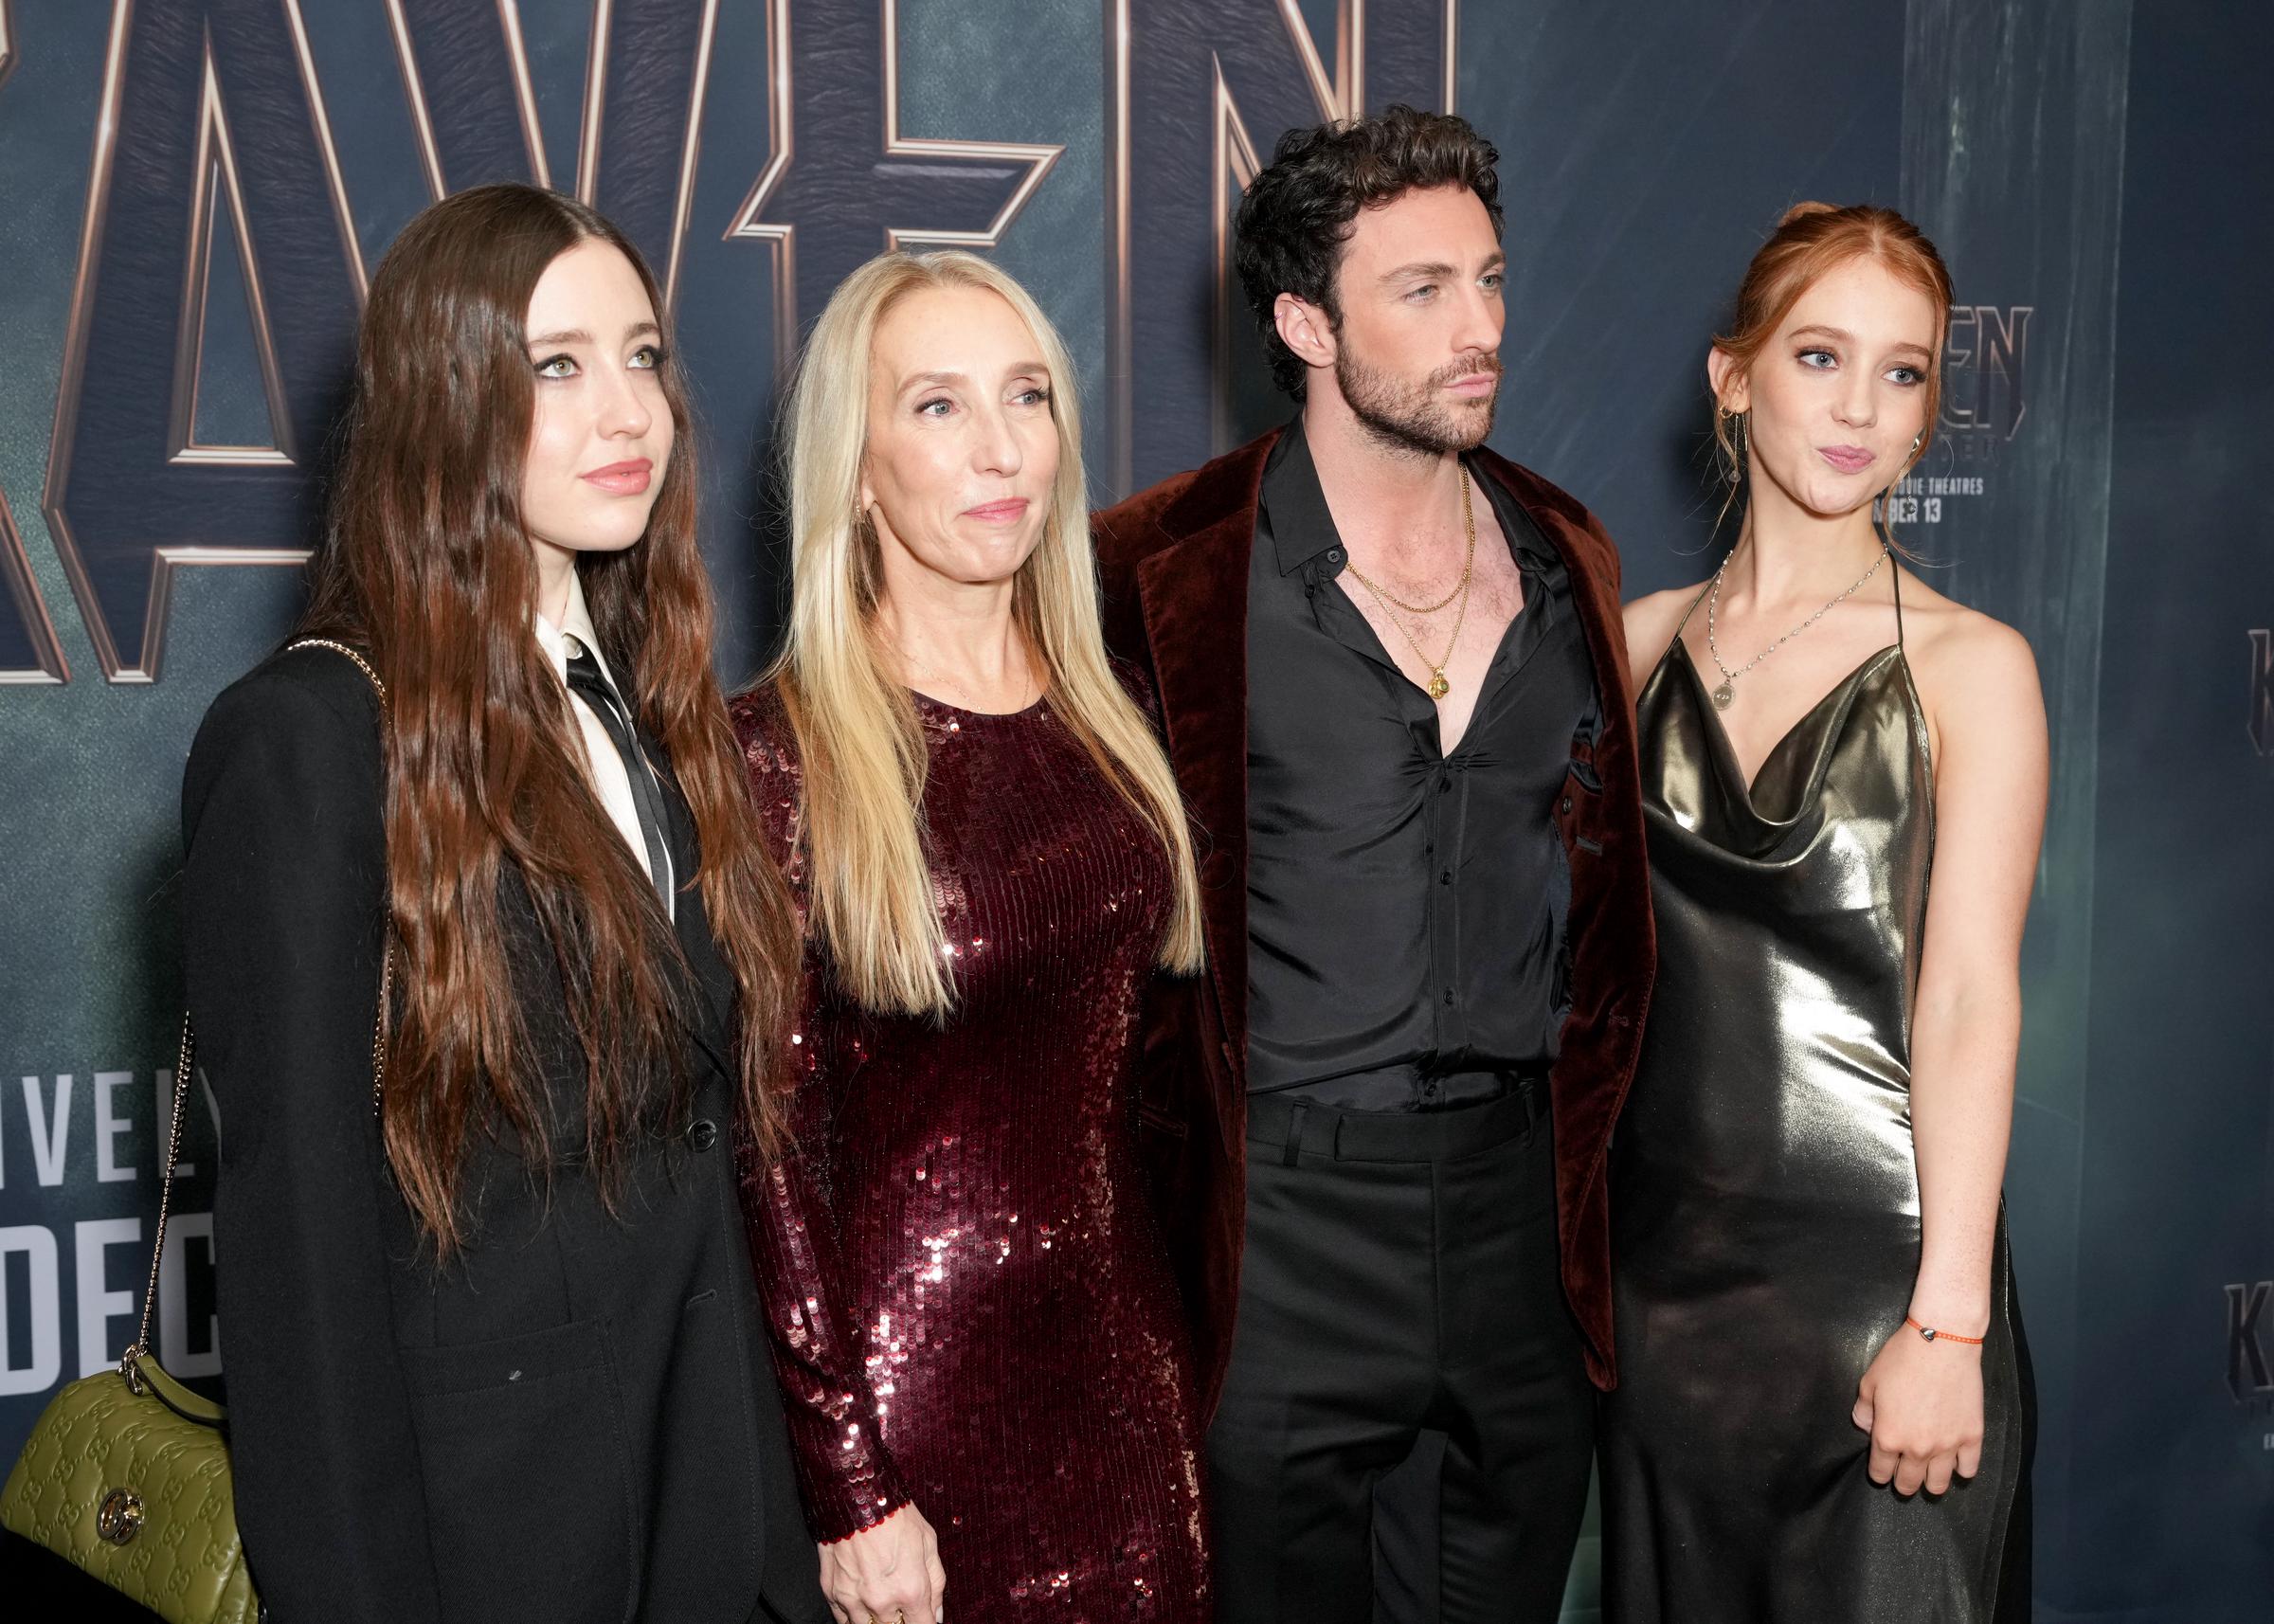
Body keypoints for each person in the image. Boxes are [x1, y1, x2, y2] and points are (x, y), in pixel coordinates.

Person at [181, 184, 823, 1624]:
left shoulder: (660, 712)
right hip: (494, 1548)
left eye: (644, 355)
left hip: (709, 1521)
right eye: (557, 366)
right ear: (443, 396)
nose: (627, 412)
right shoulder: (308, 739)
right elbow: (298, 1269)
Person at [1092, 107, 1655, 1622]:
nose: (1480, 329)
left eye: (1490, 280)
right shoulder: (1157, 569)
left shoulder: (1565, 554)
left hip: (1521, 1223)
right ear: (1304, 321)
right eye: (1422, 290)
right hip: (1278, 1223)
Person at [731, 250, 1212, 1624]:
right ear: (860, 466)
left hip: (1133, 1394)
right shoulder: (780, 753)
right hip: (910, 1422)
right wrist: (847, 1483)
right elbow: (768, 1153)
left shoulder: (1118, 712)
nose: (1003, 447)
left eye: (1028, 395)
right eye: (938, 406)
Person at [1603, 202, 2044, 1622]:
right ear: (1731, 377)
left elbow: (1971, 995)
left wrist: (1947, 1318)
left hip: (1883, 1311)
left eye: (1904, 371)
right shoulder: (1634, 645)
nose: (1862, 408)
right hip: (1661, 1315)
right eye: (1819, 357)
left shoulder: (1973, 668)